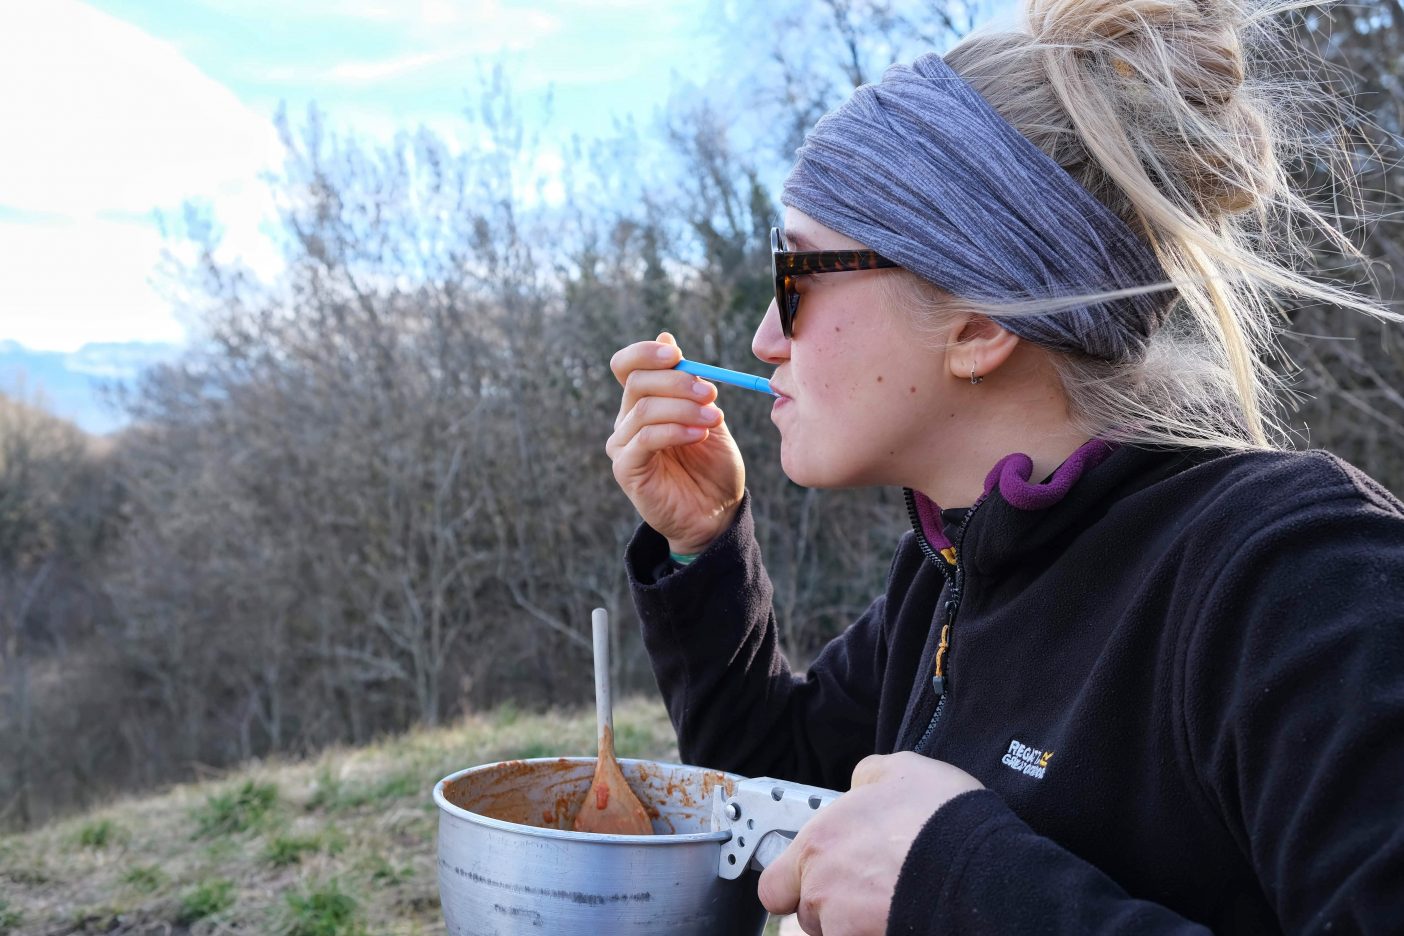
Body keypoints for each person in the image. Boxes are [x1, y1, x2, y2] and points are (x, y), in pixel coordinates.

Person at [605, 0, 1404, 933]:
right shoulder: (958, 567)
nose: (766, 336)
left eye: (797, 275)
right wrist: (704, 545)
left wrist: (957, 881)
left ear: (981, 321)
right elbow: (772, 794)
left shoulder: (1299, 577)